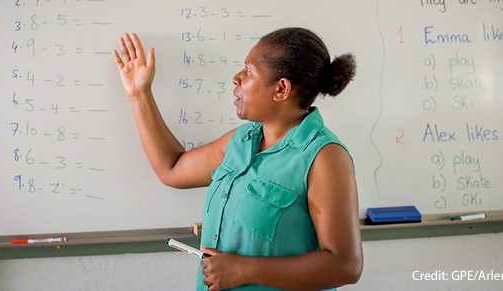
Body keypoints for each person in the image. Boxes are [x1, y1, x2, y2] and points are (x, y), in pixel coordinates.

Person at [113, 27, 363, 291]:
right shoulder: (241, 141)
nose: (236, 78)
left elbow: (345, 265)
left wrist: (245, 270)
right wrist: (139, 94)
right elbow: (172, 168)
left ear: (281, 89)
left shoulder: (324, 156)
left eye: (248, 71)